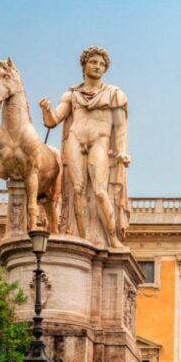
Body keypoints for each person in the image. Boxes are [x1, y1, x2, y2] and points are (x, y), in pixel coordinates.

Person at [40, 47, 130, 248]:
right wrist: (46, 110)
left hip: (100, 141)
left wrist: (122, 150)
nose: (97, 66)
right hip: (75, 138)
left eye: (101, 64)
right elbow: (53, 121)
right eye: (93, 62)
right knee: (77, 190)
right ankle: (82, 239)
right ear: (84, 65)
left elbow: (120, 127)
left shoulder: (114, 94)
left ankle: (112, 237)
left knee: (99, 190)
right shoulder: (72, 95)